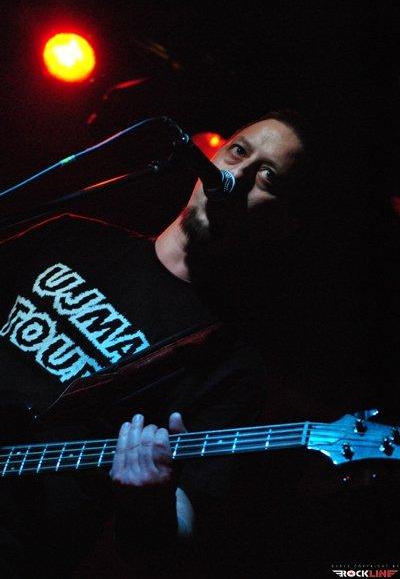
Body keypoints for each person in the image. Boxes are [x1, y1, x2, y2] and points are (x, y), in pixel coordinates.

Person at [0, 111, 316, 576]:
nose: (239, 176)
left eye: (267, 176)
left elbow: (177, 532)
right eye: (238, 152)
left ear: (284, 223)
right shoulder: (71, 235)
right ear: (209, 156)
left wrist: (152, 500)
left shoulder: (230, 362)